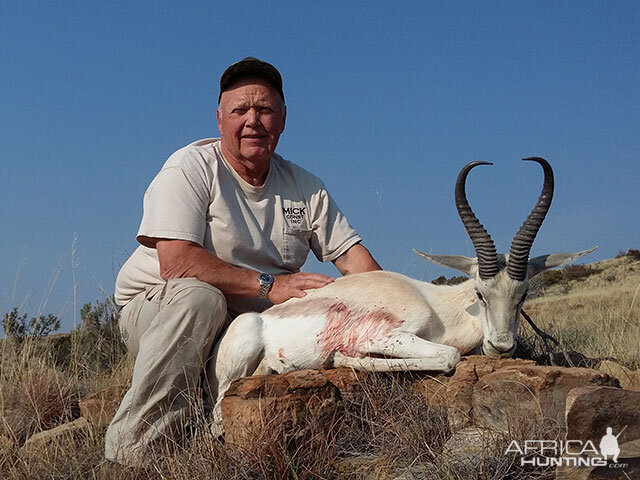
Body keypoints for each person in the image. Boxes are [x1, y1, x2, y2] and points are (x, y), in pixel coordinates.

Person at [104, 57, 381, 466]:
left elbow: (361, 269)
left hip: (243, 326)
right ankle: (131, 455)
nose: (253, 121)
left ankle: (222, 439)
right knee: (201, 299)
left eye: (265, 110)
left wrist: (402, 307)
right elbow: (176, 263)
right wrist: (272, 286)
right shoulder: (190, 167)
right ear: (219, 120)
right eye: (240, 110)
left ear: (283, 119)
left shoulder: (306, 187)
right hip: (159, 309)